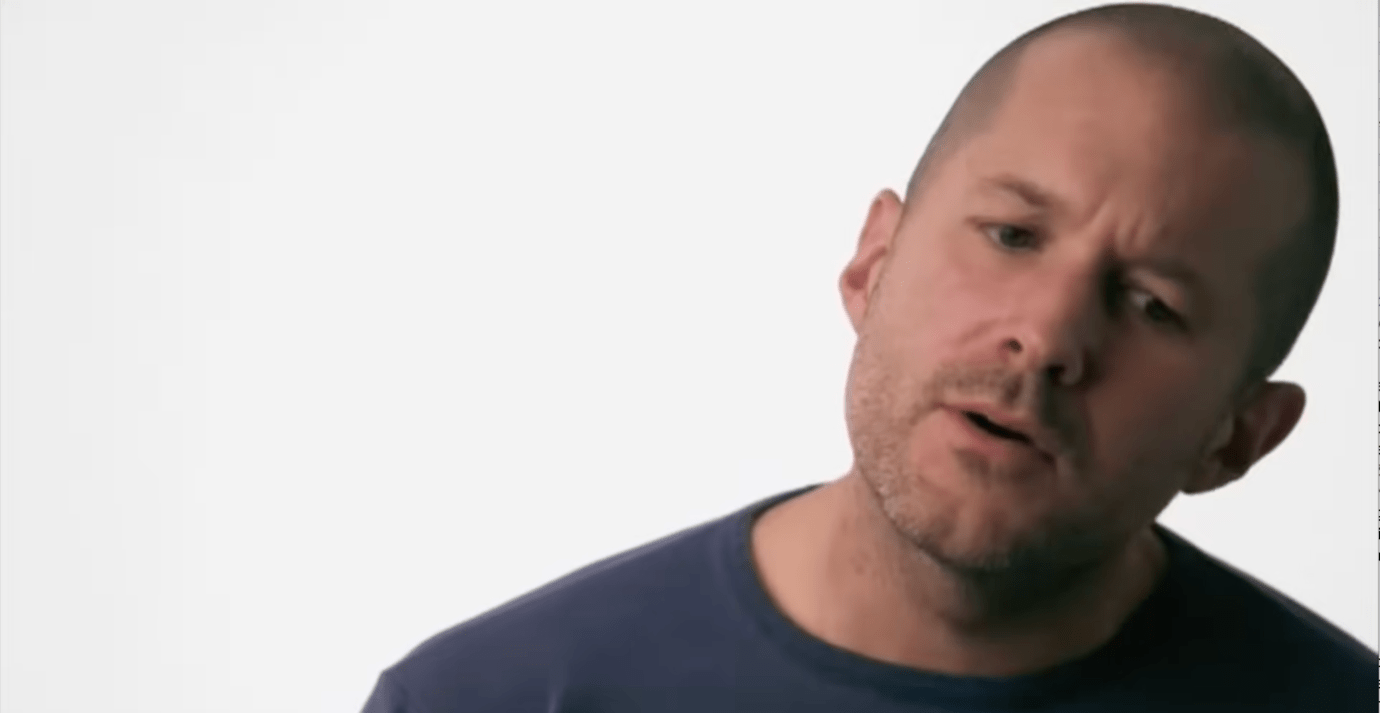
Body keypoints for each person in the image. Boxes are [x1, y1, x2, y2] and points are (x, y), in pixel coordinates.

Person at [361, 4, 1374, 711]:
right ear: (873, 261)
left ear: (1238, 434)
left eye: (1152, 302)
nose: (1050, 335)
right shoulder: (489, 698)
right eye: (1012, 234)